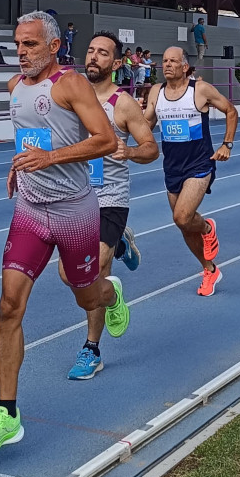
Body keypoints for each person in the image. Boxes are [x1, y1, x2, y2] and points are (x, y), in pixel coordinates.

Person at [0, 11, 130, 449]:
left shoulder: (71, 85)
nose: (21, 52)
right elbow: (30, 138)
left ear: (54, 46)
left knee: (86, 294)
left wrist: (49, 160)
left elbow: (104, 141)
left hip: (74, 211)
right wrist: (18, 165)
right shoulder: (14, 87)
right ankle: (7, 413)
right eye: (18, 44)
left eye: (31, 45)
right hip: (29, 210)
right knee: (8, 306)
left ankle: (110, 292)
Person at [66, 30, 159, 380]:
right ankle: (116, 275)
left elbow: (151, 148)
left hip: (109, 199)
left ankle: (91, 349)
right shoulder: (69, 97)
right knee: (69, 276)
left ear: (117, 63)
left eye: (103, 53)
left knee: (95, 271)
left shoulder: (122, 104)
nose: (94, 57)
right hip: (73, 199)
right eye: (90, 51)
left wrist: (130, 150)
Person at [144, 46, 238, 296]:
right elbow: (146, 124)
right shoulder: (156, 92)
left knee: (183, 217)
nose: (167, 65)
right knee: (184, 226)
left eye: (173, 61)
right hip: (172, 166)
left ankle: (207, 228)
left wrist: (227, 144)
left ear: (185, 66)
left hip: (199, 163)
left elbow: (231, 110)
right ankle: (209, 270)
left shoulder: (200, 90)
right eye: (164, 60)